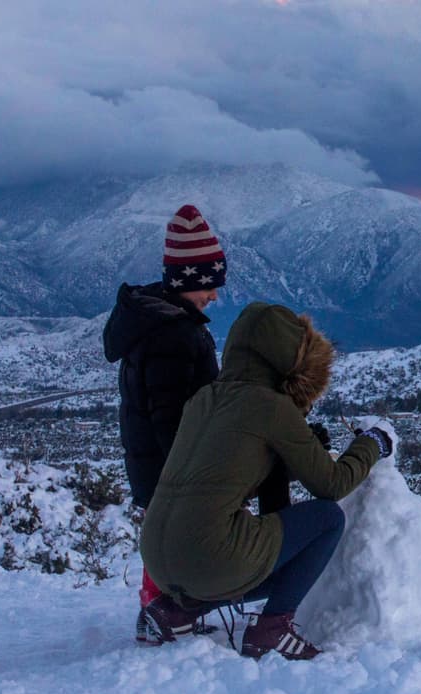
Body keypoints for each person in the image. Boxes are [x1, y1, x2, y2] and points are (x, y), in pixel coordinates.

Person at [139, 302, 393, 660]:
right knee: (326, 519)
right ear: (293, 360)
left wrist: (294, 451)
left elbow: (234, 471)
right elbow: (331, 485)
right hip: (208, 556)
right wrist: (372, 444)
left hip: (157, 559)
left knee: (266, 546)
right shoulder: (270, 405)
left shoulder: (204, 399)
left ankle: (179, 611)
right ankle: (272, 629)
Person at [103, 204, 226, 642]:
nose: (214, 296)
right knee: (171, 538)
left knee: (163, 537)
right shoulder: (172, 335)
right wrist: (191, 466)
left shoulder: (159, 323)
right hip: (167, 463)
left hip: (151, 461)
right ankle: (160, 613)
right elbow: (171, 414)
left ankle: (163, 610)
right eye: (210, 285)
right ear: (189, 281)